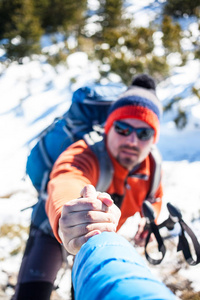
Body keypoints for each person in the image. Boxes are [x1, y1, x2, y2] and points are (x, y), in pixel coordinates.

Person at [13, 74, 163, 299]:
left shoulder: (152, 167)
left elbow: (155, 200)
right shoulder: (86, 151)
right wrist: (73, 211)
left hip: (95, 240)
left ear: (153, 139)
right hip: (54, 227)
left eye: (144, 133)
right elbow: (66, 176)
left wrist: (149, 226)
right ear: (109, 127)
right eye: (123, 129)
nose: (132, 141)